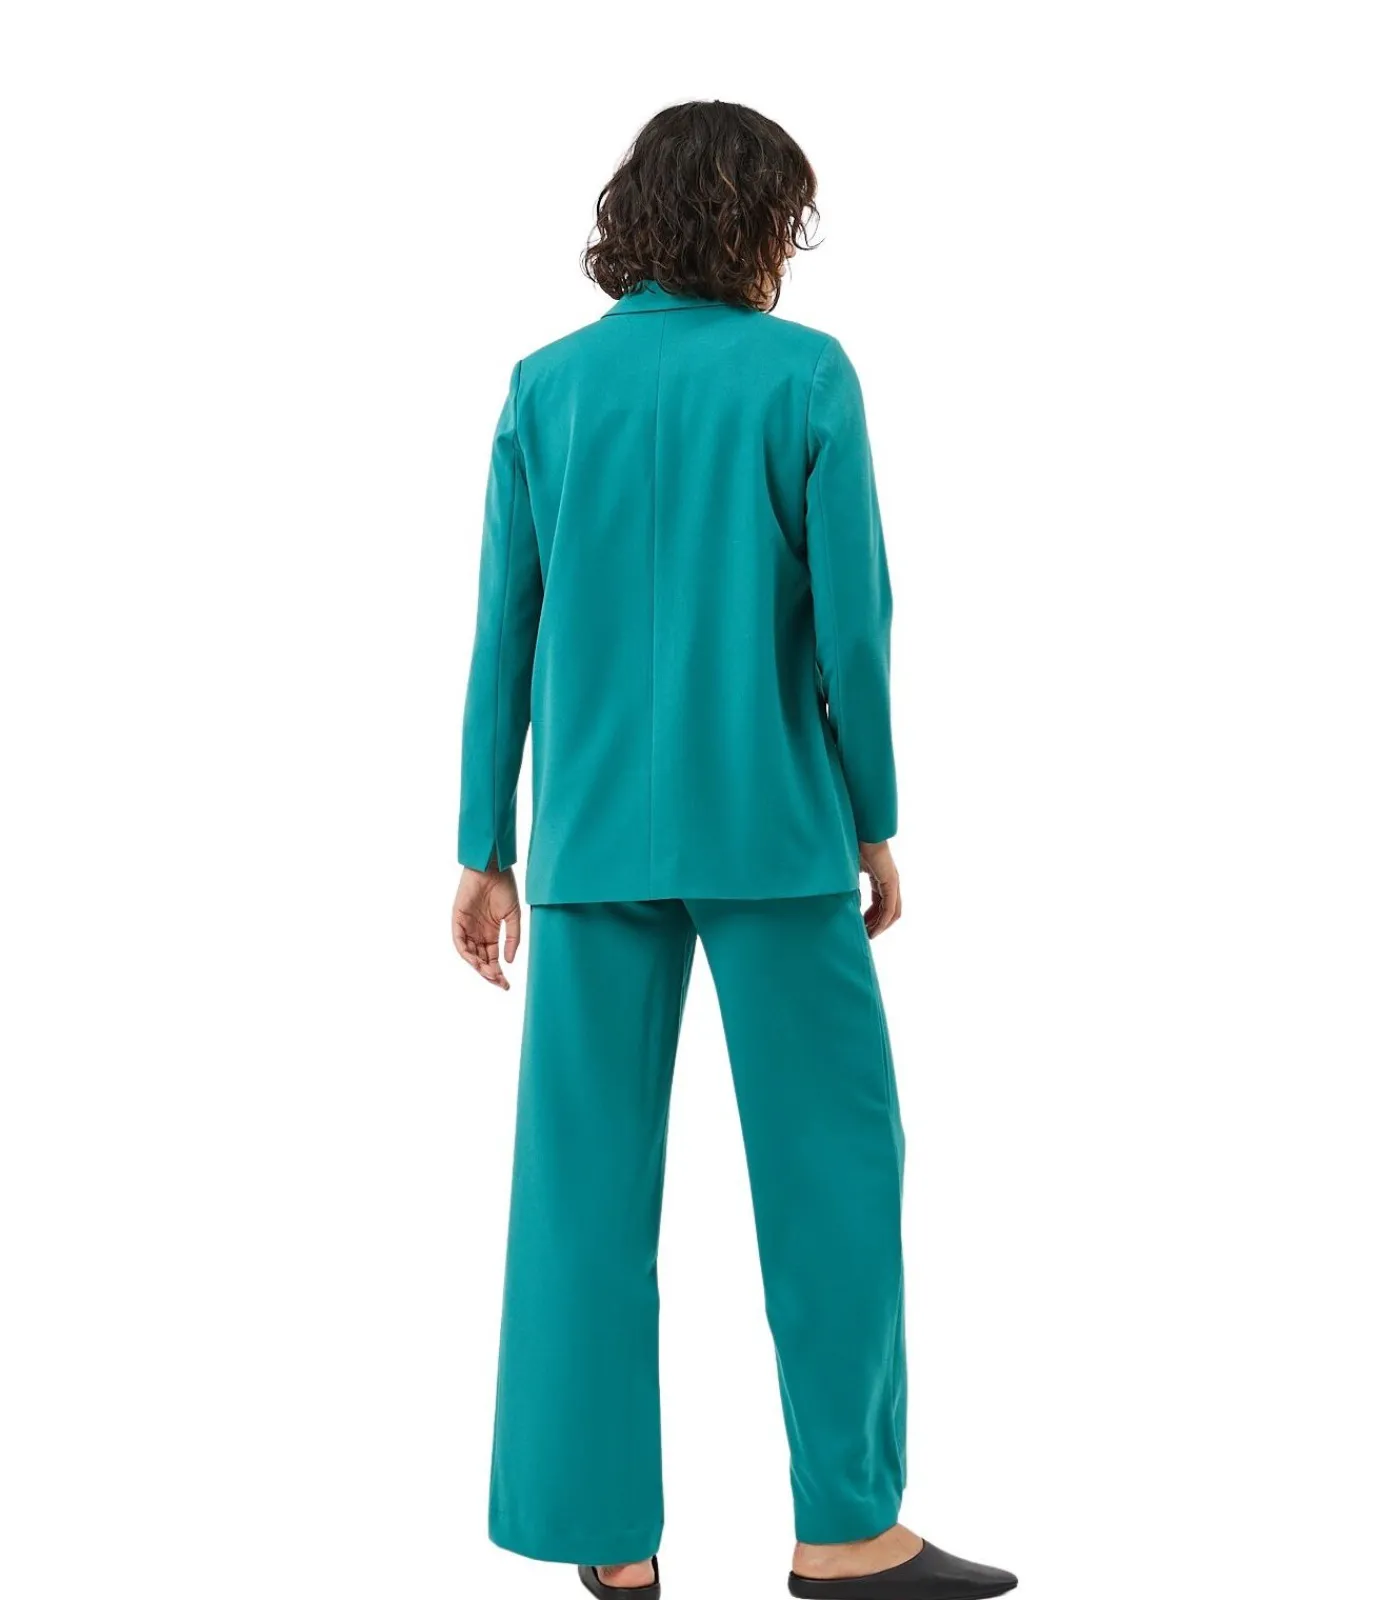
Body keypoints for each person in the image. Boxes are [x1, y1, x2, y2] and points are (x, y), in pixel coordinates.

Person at [452, 101, 1016, 1600]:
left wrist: (482, 844)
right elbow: (856, 628)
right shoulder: (804, 375)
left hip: (584, 845)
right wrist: (873, 816)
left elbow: (504, 627)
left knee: (578, 1191)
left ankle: (605, 1540)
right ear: (758, 221)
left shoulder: (544, 387)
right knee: (835, 1171)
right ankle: (848, 1531)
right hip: (774, 832)